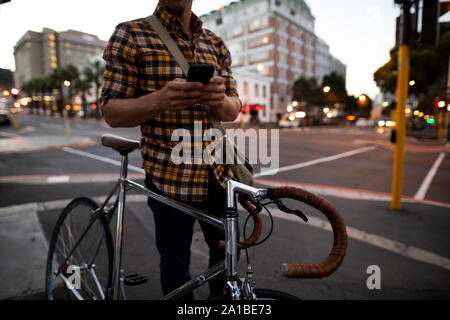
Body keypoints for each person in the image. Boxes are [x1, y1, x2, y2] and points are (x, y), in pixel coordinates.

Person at [100, 0, 241, 299]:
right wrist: (161, 99)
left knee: (227, 265)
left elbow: (232, 110)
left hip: (218, 174)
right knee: (177, 269)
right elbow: (111, 112)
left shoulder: (215, 43)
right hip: (169, 177)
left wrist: (219, 99)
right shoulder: (131, 34)